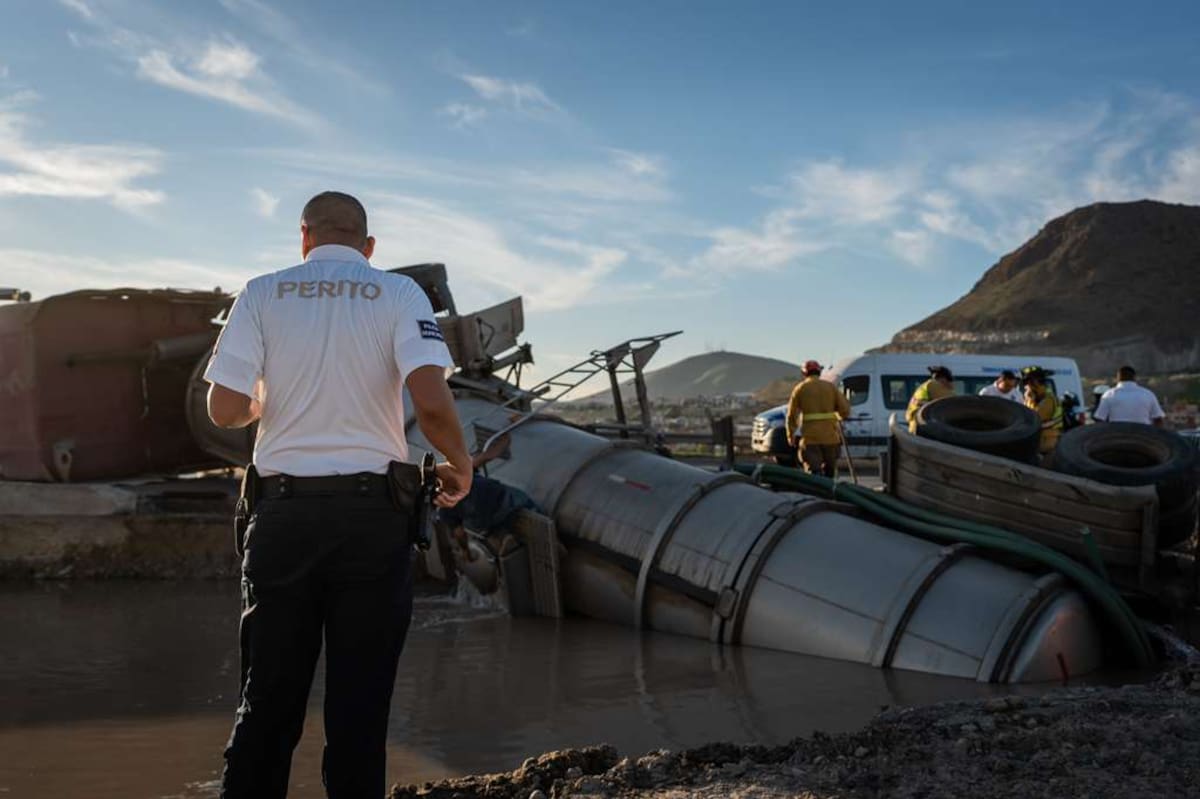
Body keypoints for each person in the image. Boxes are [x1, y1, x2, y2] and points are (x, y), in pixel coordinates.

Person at [204, 191, 473, 799]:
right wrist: (460, 465)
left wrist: (265, 404)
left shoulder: (261, 292)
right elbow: (431, 402)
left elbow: (222, 409)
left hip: (282, 518)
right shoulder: (402, 294)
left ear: (304, 238)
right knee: (360, 708)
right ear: (368, 246)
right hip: (371, 523)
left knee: (267, 702)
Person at [438, 434, 542, 559]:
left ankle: (505, 538)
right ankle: (542, 534)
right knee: (525, 506)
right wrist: (506, 439)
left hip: (487, 520)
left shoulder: (445, 507)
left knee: (487, 526)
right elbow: (488, 455)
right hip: (502, 500)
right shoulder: (461, 472)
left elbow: (459, 533)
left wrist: (465, 550)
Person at [785, 360, 852, 478]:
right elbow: (845, 410)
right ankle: (830, 492)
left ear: (804, 373)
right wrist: (839, 417)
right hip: (831, 438)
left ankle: (815, 493)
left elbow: (791, 415)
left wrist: (791, 435)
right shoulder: (830, 387)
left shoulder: (800, 389)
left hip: (811, 440)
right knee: (830, 471)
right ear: (819, 372)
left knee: (813, 473)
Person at [1093, 366, 1166, 426]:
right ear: (1134, 377)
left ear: (1118, 378)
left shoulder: (1108, 395)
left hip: (1117, 436)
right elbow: (1158, 419)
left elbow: (1099, 420)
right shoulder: (1148, 394)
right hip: (1143, 437)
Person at [1021, 366, 1063, 457]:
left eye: (1027, 384)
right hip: (1039, 439)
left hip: (1047, 441)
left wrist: (1030, 400)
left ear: (1035, 383)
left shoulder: (1048, 400)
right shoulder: (1035, 398)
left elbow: (1035, 418)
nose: (1025, 388)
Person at [906, 365, 955, 433]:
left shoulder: (926, 385)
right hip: (923, 426)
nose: (952, 384)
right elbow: (952, 403)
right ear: (943, 379)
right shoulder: (934, 385)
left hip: (915, 426)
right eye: (950, 381)